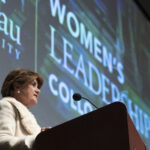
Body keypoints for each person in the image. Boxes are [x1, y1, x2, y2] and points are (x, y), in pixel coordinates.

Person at [0, 68, 50, 150]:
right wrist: (37, 140)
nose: (38, 91)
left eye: (38, 87)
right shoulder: (6, 105)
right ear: (17, 87)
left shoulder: (32, 120)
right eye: (33, 84)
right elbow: (1, 141)